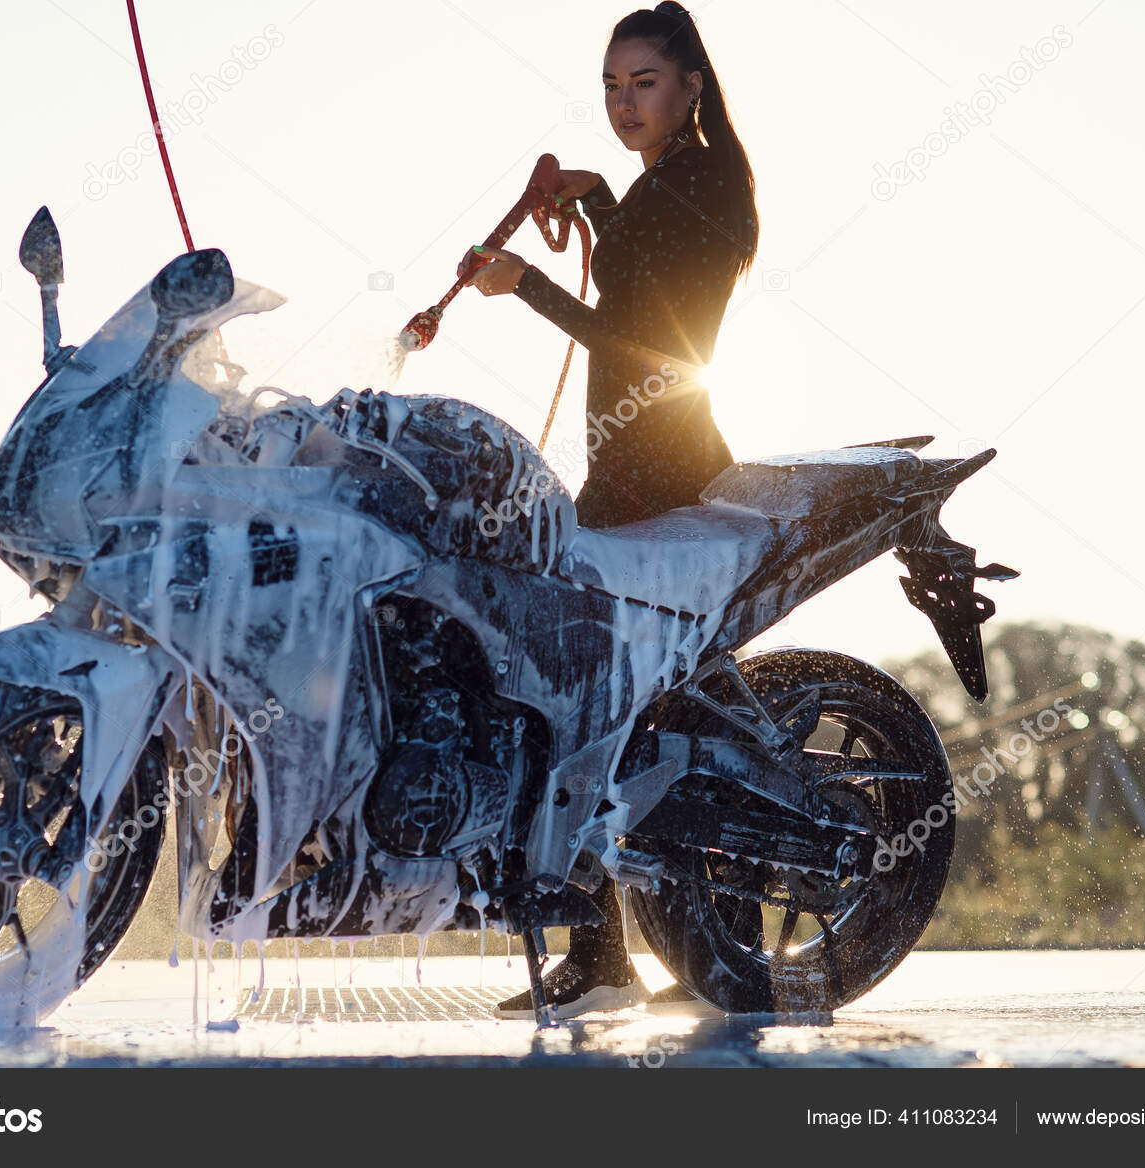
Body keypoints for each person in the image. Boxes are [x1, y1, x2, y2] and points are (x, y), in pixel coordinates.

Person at [459, 2, 759, 1019]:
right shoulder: (670, 180)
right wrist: (590, 203)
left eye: (643, 82)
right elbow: (636, 269)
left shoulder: (704, 180)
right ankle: (674, 949)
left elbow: (635, 335)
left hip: (660, 471)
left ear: (690, 87)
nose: (623, 103)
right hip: (639, 465)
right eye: (610, 86)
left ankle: (606, 956)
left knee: (574, 695)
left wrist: (523, 283)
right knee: (654, 705)